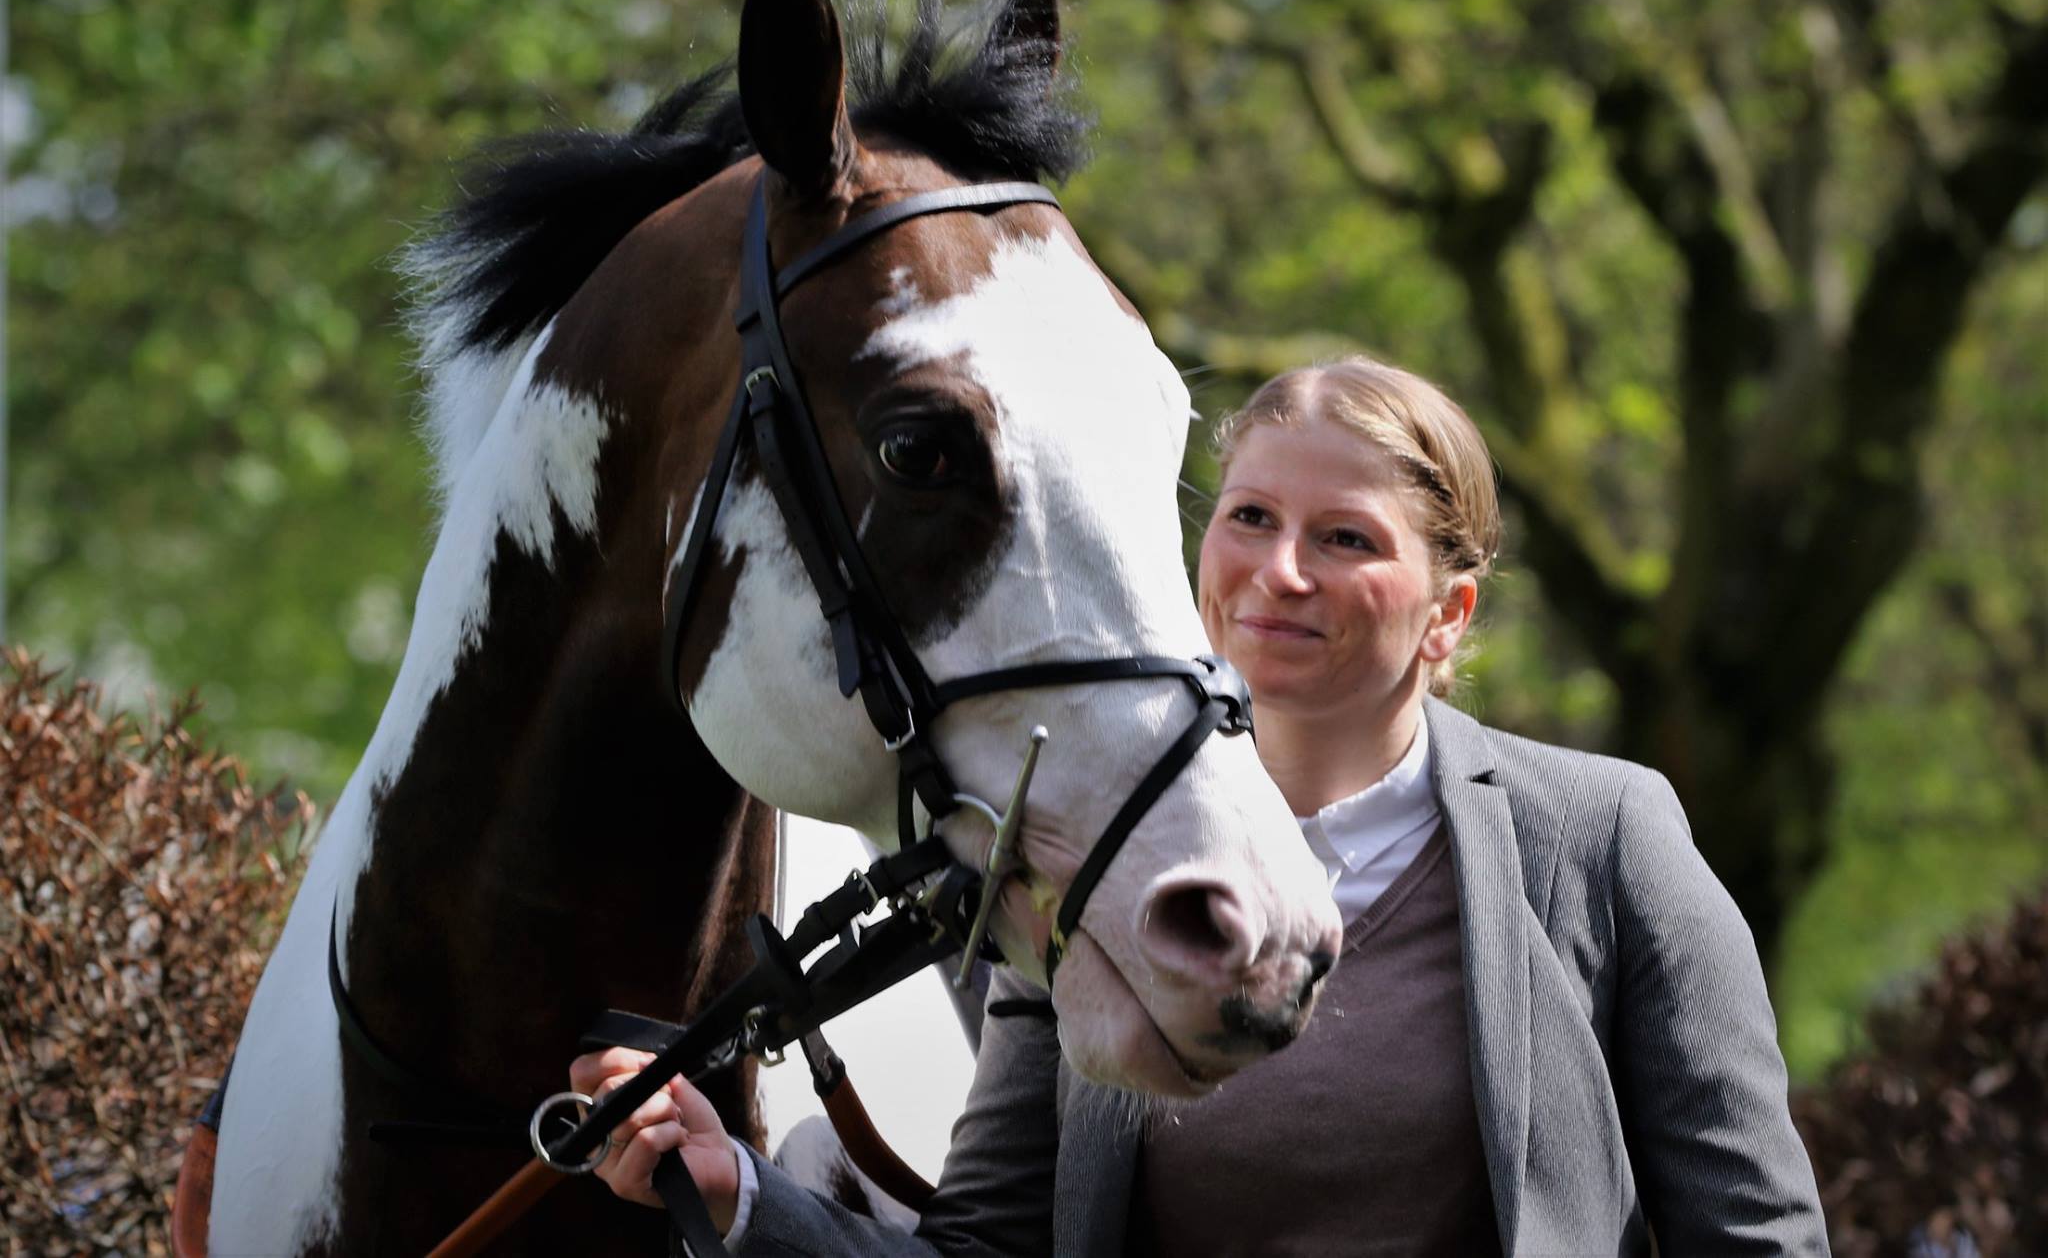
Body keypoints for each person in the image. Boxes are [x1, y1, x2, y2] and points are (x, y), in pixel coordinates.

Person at [573, 356, 1829, 1255]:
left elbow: (1755, 1234)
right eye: (1250, 518)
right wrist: (739, 1194)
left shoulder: (1603, 838)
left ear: (1446, 612)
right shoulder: (1080, 858)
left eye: (1345, 539)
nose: (1278, 573)